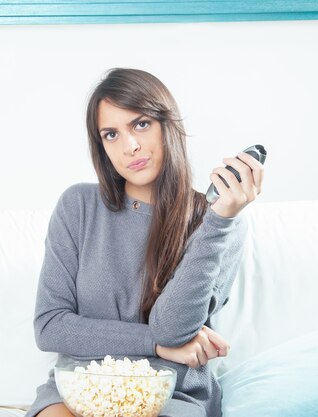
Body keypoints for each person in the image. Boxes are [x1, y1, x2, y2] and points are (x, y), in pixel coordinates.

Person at [24, 68, 264, 417]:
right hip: (82, 384)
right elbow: (50, 327)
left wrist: (219, 220)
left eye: (141, 124)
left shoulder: (217, 223)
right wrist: (155, 344)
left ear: (168, 125)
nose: (130, 146)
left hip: (173, 393)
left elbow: (172, 328)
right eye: (111, 134)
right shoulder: (78, 206)